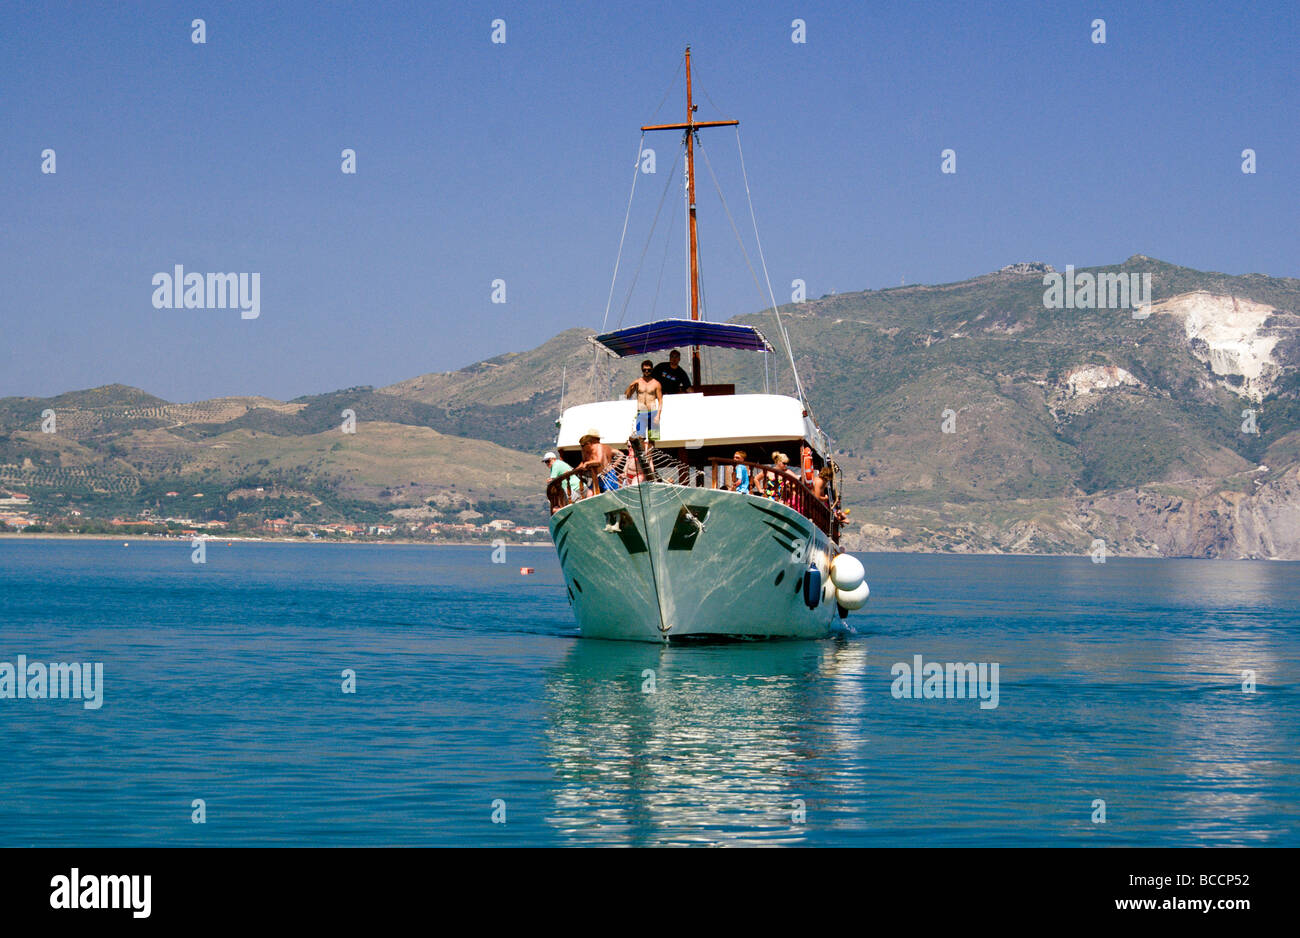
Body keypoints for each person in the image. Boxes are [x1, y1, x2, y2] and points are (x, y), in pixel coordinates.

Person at [625, 361, 663, 439]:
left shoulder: (656, 383)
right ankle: (642, 451)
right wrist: (631, 385)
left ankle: (651, 451)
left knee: (653, 438)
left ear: (652, 369)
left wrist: (658, 415)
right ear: (642, 369)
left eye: (648, 370)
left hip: (652, 413)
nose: (646, 371)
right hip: (641, 413)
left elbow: (660, 400)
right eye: (644, 369)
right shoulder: (638, 382)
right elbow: (627, 396)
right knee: (640, 437)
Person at [576, 430, 618, 495]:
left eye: (582, 446)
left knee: (610, 495)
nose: (581, 447)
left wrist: (587, 463)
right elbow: (583, 462)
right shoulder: (584, 451)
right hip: (597, 476)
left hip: (608, 475)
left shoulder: (599, 447)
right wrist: (577, 469)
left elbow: (599, 461)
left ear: (588, 444)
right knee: (589, 494)